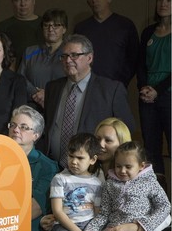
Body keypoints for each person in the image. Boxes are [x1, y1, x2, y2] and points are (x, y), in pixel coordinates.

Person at [40, 117, 150, 231]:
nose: (101, 145)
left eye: (108, 140)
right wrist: (50, 217)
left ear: (122, 144)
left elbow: (164, 214)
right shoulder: (85, 173)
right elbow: (63, 207)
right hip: (91, 229)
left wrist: (136, 227)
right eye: (98, 139)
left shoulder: (136, 176)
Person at [43, 34, 135, 169]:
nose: (68, 60)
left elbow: (126, 131)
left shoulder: (111, 90)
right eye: (64, 56)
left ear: (89, 58)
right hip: (52, 167)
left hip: (93, 171)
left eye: (74, 55)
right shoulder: (52, 87)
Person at [85, 141, 171, 231]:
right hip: (111, 230)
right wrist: (91, 230)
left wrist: (142, 226)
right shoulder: (110, 184)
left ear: (141, 166)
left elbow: (165, 206)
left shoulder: (149, 182)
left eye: (128, 166)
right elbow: (104, 213)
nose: (122, 170)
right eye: (118, 166)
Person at [50, 133, 102, 231]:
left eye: (80, 158)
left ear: (93, 159)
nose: (73, 162)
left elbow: (97, 213)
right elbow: (58, 211)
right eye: (71, 156)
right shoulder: (60, 179)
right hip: (64, 225)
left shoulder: (97, 184)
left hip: (89, 225)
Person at [137, 0, 171, 177]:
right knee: (150, 149)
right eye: (160, 0)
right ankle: (158, 196)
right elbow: (140, 64)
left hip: (168, 95)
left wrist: (159, 89)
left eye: (169, 0)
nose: (163, 3)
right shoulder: (148, 32)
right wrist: (144, 88)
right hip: (148, 97)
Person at [74, 0, 139, 87]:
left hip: (116, 87)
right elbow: (75, 58)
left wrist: (121, 82)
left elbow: (134, 58)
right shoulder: (81, 28)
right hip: (86, 88)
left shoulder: (126, 25)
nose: (94, 0)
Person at [18, 8, 67, 110]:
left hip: (61, 107)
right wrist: (36, 93)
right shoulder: (29, 51)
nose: (50, 29)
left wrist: (48, 95)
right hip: (32, 107)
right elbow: (20, 78)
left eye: (56, 25)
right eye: (46, 25)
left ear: (64, 29)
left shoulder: (70, 54)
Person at [0, 0, 43, 69]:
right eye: (17, 0)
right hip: (10, 75)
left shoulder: (47, 26)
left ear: (34, 1)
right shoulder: (2, 27)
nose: (23, 4)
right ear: (12, 2)